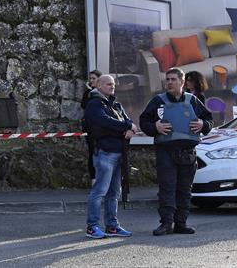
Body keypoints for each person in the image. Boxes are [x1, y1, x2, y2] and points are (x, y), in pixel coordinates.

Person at [140, 67, 213, 236]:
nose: (170, 82)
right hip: (166, 151)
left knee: (184, 189)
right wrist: (155, 126)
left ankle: (181, 223)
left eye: (173, 79)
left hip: (188, 152)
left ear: (182, 82)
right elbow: (144, 121)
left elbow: (209, 119)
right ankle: (166, 223)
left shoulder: (193, 100)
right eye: (168, 79)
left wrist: (203, 125)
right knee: (167, 188)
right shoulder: (158, 101)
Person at [83, 74, 136, 240]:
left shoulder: (116, 105)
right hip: (105, 153)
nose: (111, 86)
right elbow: (104, 121)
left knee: (114, 193)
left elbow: (128, 121)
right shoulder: (94, 104)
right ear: (98, 85)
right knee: (99, 192)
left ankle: (112, 226)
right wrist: (127, 126)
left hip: (119, 153)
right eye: (107, 84)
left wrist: (130, 127)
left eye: (112, 84)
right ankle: (92, 227)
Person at [80, 70, 102, 184]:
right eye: (90, 78)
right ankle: (94, 179)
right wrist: (90, 91)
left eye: (93, 78)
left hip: (102, 127)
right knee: (92, 152)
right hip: (90, 128)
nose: (91, 80)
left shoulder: (103, 92)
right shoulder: (88, 93)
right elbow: (84, 105)